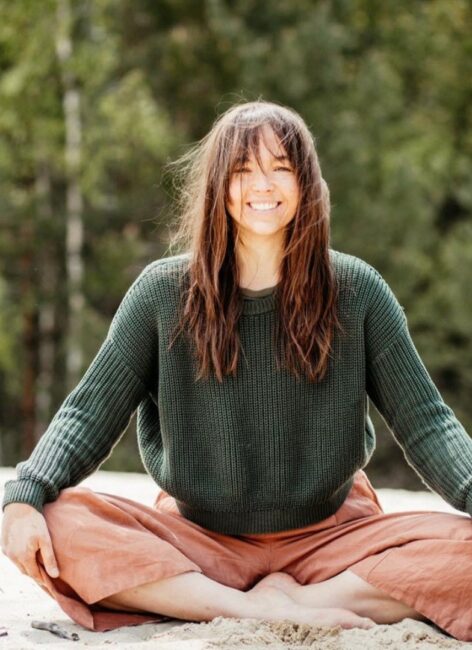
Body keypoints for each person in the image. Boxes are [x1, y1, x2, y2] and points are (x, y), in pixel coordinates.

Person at [2, 100, 472, 641]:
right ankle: (252, 607)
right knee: (59, 524)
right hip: (200, 541)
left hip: (333, 542)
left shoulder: (358, 290)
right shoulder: (161, 293)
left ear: (306, 183)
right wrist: (28, 492)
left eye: (281, 167)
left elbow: (428, 423)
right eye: (243, 170)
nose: (262, 185)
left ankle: (302, 600)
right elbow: (88, 414)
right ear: (218, 187)